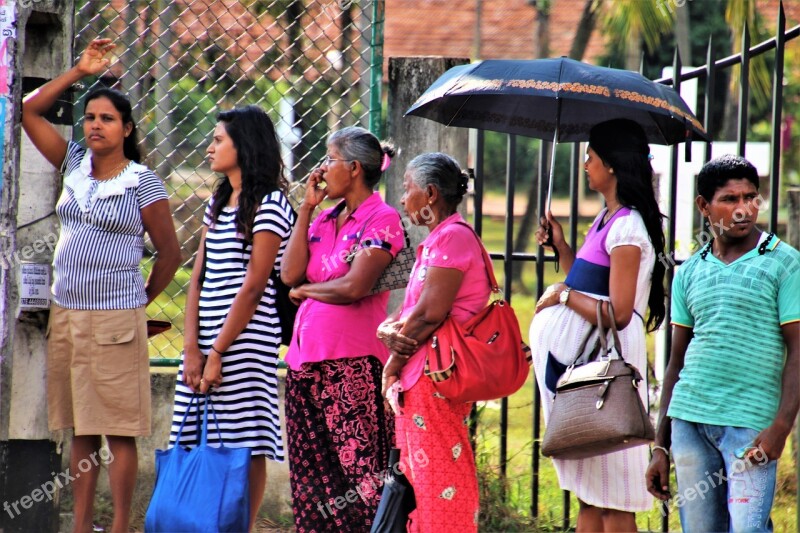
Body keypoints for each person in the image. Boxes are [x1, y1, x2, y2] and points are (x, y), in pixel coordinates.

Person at [21, 38, 181, 532]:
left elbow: (170, 254)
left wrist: (139, 303)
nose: (94, 124)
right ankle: (82, 524)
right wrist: (79, 71)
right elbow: (28, 112)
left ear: (127, 129)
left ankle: (119, 527)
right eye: (89, 117)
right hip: (67, 313)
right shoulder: (73, 166)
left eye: (107, 118)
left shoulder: (141, 181)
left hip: (116, 317)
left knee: (119, 429)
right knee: (80, 430)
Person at [645, 154, 800, 532]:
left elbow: (798, 349)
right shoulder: (690, 270)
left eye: (751, 197)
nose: (744, 209)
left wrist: (781, 426)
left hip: (751, 424)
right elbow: (676, 363)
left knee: (748, 529)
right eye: (730, 200)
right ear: (704, 205)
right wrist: (660, 446)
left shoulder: (784, 263)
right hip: (690, 421)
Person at [529, 118, 667, 532]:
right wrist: (562, 246)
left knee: (615, 497)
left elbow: (619, 312)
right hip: (581, 375)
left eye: (590, 157)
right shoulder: (606, 220)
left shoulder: (628, 227)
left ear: (610, 165)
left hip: (608, 377)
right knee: (591, 496)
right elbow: (590, 285)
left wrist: (562, 296)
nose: (585, 164)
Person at [167, 105, 296, 531]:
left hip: (245, 341)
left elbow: (256, 285)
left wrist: (218, 350)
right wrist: (192, 347)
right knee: (192, 435)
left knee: (244, 442)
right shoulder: (219, 202)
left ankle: (239, 525)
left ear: (244, 146)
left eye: (218, 140)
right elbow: (197, 279)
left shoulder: (272, 204)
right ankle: (195, 520)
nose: (209, 148)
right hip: (204, 339)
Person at [280, 126, 404, 531]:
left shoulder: (382, 219)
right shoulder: (325, 218)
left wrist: (309, 292)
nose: (322, 168)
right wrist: (306, 210)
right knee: (312, 483)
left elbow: (355, 286)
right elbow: (290, 274)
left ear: (352, 168)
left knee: (363, 480)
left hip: (352, 366)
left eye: (329, 159)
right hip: (303, 364)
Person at [378, 152, 488, 532]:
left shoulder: (453, 238)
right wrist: (386, 332)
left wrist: (390, 366)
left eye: (406, 189)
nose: (402, 199)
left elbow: (429, 313)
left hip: (435, 381)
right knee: (422, 484)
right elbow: (412, 311)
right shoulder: (440, 239)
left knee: (441, 482)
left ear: (429, 194)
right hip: (422, 381)